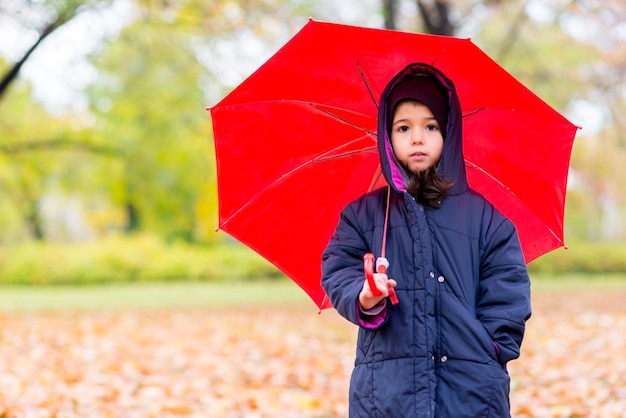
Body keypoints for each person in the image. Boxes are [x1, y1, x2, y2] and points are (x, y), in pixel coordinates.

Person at [321, 62, 531, 417]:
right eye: (403, 128)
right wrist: (365, 295)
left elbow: (508, 291)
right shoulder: (366, 215)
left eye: (430, 126)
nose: (417, 138)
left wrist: (492, 347)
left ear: (449, 133)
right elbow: (338, 267)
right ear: (387, 138)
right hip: (387, 390)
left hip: (471, 388)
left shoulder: (486, 220)